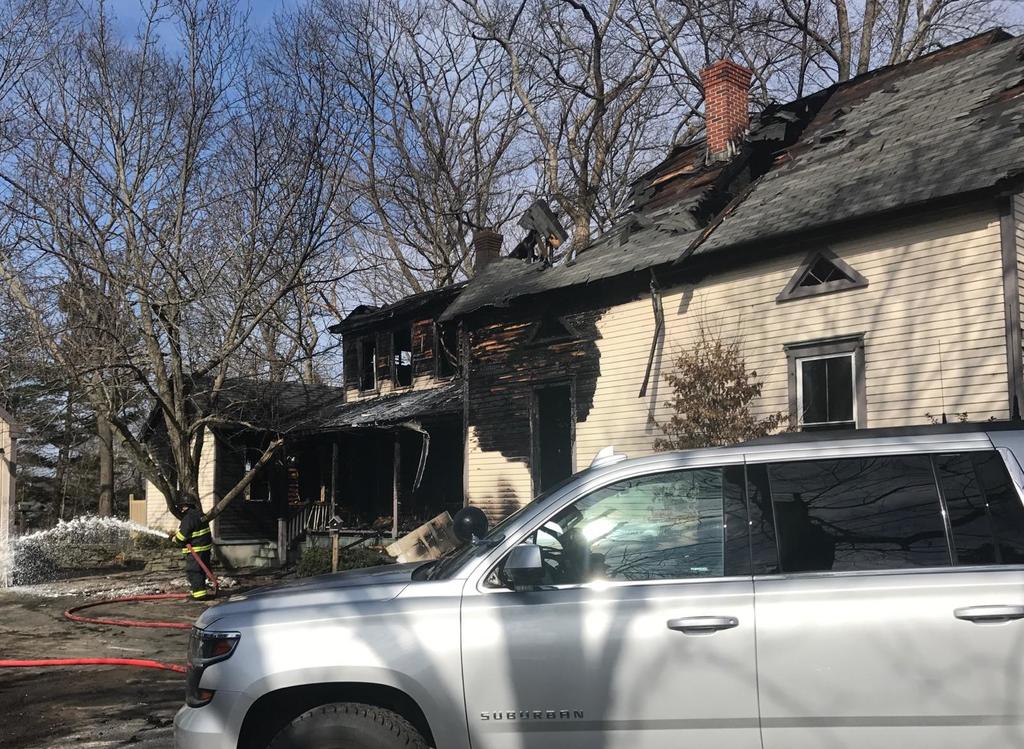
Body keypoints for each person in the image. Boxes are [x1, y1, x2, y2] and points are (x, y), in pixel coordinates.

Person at [169, 499, 215, 600]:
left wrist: (175, 539)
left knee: (193, 571)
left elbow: (181, 537)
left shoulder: (189, 518)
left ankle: (199, 595)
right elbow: (194, 531)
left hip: (196, 550)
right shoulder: (200, 515)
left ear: (186, 506)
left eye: (182, 507)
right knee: (201, 570)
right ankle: (199, 592)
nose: (181, 509)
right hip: (204, 548)